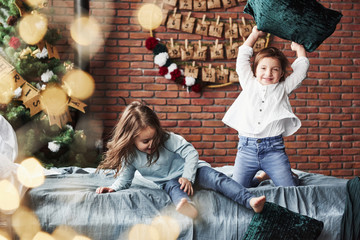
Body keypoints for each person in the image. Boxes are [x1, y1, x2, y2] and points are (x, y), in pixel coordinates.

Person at [96, 101, 266, 219]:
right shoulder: (130, 155)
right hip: (170, 181)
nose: (151, 144)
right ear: (131, 139)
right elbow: (125, 178)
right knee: (175, 191)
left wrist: (187, 176)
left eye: (153, 138)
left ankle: (251, 200)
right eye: (145, 141)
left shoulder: (168, 139)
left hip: (194, 171)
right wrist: (113, 188)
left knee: (219, 180)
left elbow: (191, 153)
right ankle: (188, 207)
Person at [222, 26, 309, 188]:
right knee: (237, 189)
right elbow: (242, 58)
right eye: (263, 68)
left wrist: (299, 49)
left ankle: (289, 176)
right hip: (246, 150)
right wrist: (254, 35)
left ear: (282, 73)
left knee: (290, 189)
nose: (268, 73)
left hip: (274, 151)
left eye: (275, 69)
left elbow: (301, 72)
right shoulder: (249, 83)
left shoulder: (283, 88)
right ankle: (261, 178)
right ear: (255, 70)